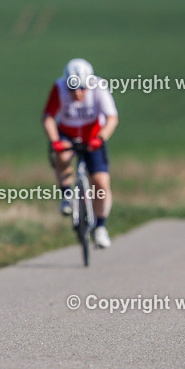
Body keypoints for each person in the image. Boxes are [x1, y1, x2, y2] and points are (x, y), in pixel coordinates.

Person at [42, 58, 119, 248]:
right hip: (67, 133)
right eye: (72, 89)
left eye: (82, 88)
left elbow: (112, 118)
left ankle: (100, 227)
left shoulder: (99, 87)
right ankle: (67, 194)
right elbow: (49, 117)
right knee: (63, 155)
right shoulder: (59, 87)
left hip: (93, 136)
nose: (77, 94)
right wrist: (55, 141)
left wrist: (101, 138)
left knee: (101, 183)